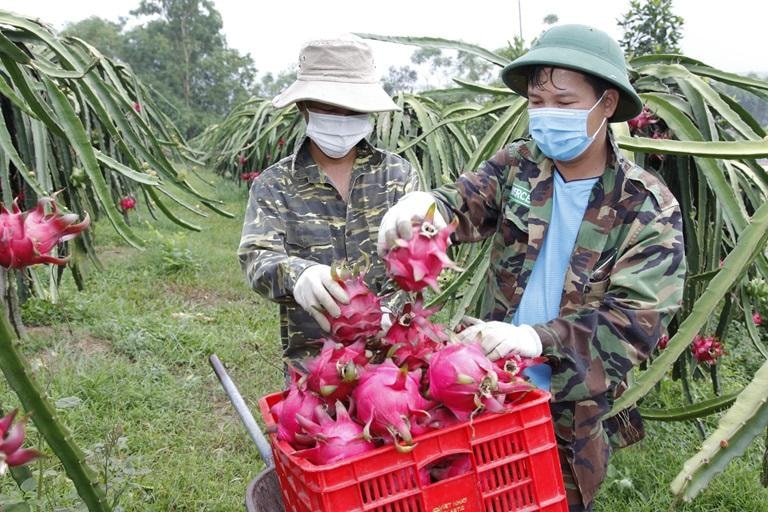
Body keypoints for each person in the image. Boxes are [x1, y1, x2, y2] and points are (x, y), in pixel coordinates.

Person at [378, 25, 685, 511]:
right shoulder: (519, 165)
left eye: (564, 102)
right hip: (480, 385)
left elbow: (633, 326)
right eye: (538, 100)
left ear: (606, 105)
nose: (546, 115)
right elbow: (463, 204)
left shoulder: (646, 207)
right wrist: (426, 209)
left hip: (568, 411)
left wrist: (539, 340)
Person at [239, 36, 418, 360]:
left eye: (353, 109)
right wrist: (299, 276)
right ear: (303, 106)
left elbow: (415, 261)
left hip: (393, 368)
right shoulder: (274, 185)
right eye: (329, 107)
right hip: (316, 370)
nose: (342, 117)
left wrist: (388, 314)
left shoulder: (398, 176)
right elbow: (256, 256)